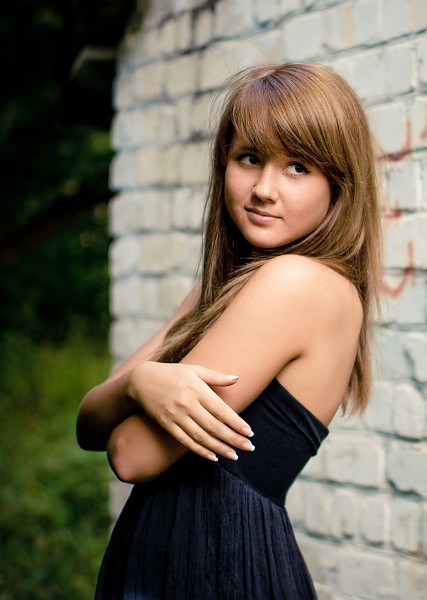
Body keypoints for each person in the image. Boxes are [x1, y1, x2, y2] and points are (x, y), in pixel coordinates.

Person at [76, 62, 382, 599]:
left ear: (340, 183)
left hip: (218, 569)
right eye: (249, 158)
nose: (264, 189)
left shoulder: (296, 282)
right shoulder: (228, 286)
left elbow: (129, 453)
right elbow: (88, 423)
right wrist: (138, 386)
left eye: (298, 167)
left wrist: (137, 385)